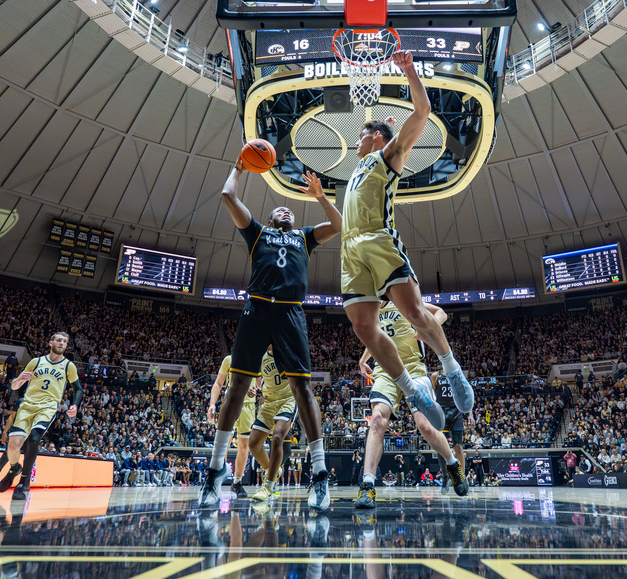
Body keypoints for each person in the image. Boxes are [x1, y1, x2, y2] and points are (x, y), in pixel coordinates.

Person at [340, 50, 474, 436]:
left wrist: (410, 71)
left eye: (364, 133)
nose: (358, 138)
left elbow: (423, 112)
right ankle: (412, 391)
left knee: (416, 313)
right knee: (363, 328)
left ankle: (451, 368)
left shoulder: (387, 155)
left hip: (379, 240)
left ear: (377, 136)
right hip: (350, 251)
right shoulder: (354, 173)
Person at [199, 165, 342, 512]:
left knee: (303, 389)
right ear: (270, 217)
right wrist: (237, 166)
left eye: (290, 209)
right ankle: (215, 471)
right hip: (258, 308)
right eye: (280, 209)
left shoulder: (305, 236)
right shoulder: (257, 232)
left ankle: (320, 474)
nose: (286, 210)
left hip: (291, 312)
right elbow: (227, 196)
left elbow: (340, 226)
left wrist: (321, 197)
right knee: (236, 387)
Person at [354, 301, 469, 509]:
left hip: (414, 368)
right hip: (385, 370)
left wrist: (427, 329)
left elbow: (441, 313)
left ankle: (452, 464)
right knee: (377, 419)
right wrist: (364, 358)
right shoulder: (371, 306)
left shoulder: (401, 297)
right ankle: (367, 485)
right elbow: (374, 336)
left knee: (425, 427)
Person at [0, 332, 82, 501]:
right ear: (51, 342)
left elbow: (78, 388)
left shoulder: (68, 366)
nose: (61, 343)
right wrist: (20, 379)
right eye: (59, 340)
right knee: (13, 446)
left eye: (65, 341)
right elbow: (15, 386)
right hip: (27, 405)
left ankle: (23, 482)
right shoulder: (36, 362)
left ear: (66, 346)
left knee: (34, 438)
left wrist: (75, 405)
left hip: (48, 407)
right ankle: (15, 468)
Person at [208, 354, 261, 496]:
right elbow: (218, 383)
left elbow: (260, 385)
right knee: (224, 444)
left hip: (249, 406)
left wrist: (256, 389)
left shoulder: (256, 360)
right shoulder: (229, 359)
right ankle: (216, 481)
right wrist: (212, 404)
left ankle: (237, 483)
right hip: (230, 402)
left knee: (244, 447)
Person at [249, 348, 297, 501]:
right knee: (253, 444)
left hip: (288, 399)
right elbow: (257, 381)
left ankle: (268, 485)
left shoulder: (288, 350)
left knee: (277, 436)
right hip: (269, 402)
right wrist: (253, 388)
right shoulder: (261, 356)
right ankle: (272, 470)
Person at [431, 364, 467, 495]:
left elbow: (465, 394)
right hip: (442, 411)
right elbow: (433, 397)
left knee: (459, 447)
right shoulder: (435, 376)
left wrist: (471, 414)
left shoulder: (457, 375)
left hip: (457, 411)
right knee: (442, 447)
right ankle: (445, 478)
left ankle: (461, 480)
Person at [0, 384, 24, 492]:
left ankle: (21, 482)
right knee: (4, 458)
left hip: (27, 434)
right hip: (17, 433)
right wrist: (4, 432)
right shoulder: (21, 401)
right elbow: (11, 417)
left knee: (28, 459)